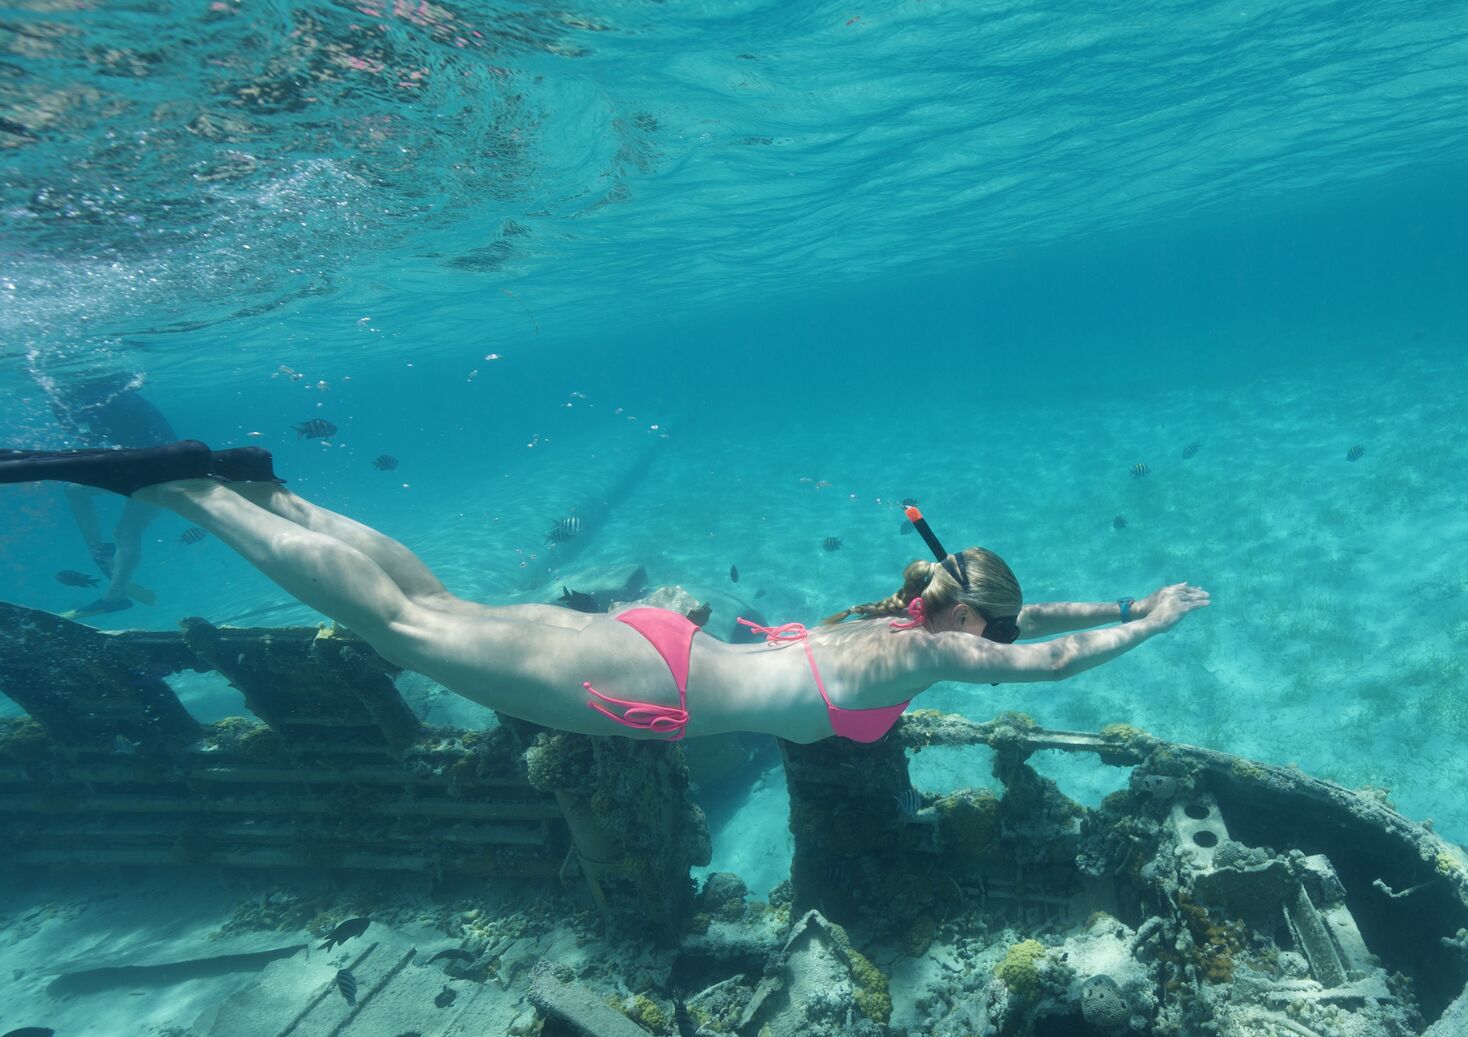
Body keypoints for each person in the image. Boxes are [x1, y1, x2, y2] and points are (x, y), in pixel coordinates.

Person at [0, 441, 1209, 743]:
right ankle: (187, 493)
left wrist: (1115, 601)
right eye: (989, 626)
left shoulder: (895, 620)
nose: (994, 639)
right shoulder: (929, 651)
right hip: (643, 680)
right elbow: (1042, 658)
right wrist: (1149, 624)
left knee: (434, 605)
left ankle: (271, 490)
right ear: (963, 622)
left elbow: (1034, 623)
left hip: (655, 650)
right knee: (401, 625)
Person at [43, 372, 177, 616]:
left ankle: (112, 589)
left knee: (123, 529)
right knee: (81, 495)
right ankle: (102, 558)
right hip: (162, 466)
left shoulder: (99, 402)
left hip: (158, 470)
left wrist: (63, 413)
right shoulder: (110, 398)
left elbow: (93, 437)